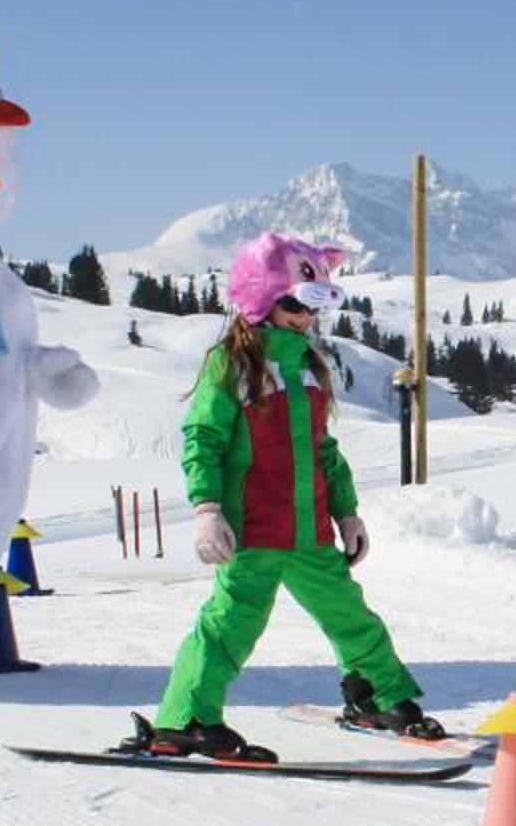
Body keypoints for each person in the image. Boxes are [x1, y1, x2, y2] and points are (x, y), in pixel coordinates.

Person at [143, 232, 448, 761]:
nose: (305, 319)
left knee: (351, 616)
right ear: (262, 300)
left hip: (309, 531)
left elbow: (322, 447)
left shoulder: (307, 366)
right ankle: (184, 719)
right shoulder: (232, 365)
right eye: (294, 306)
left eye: (312, 309)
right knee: (231, 624)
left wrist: (346, 513)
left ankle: (377, 695)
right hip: (254, 529)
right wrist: (207, 509)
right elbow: (203, 439)